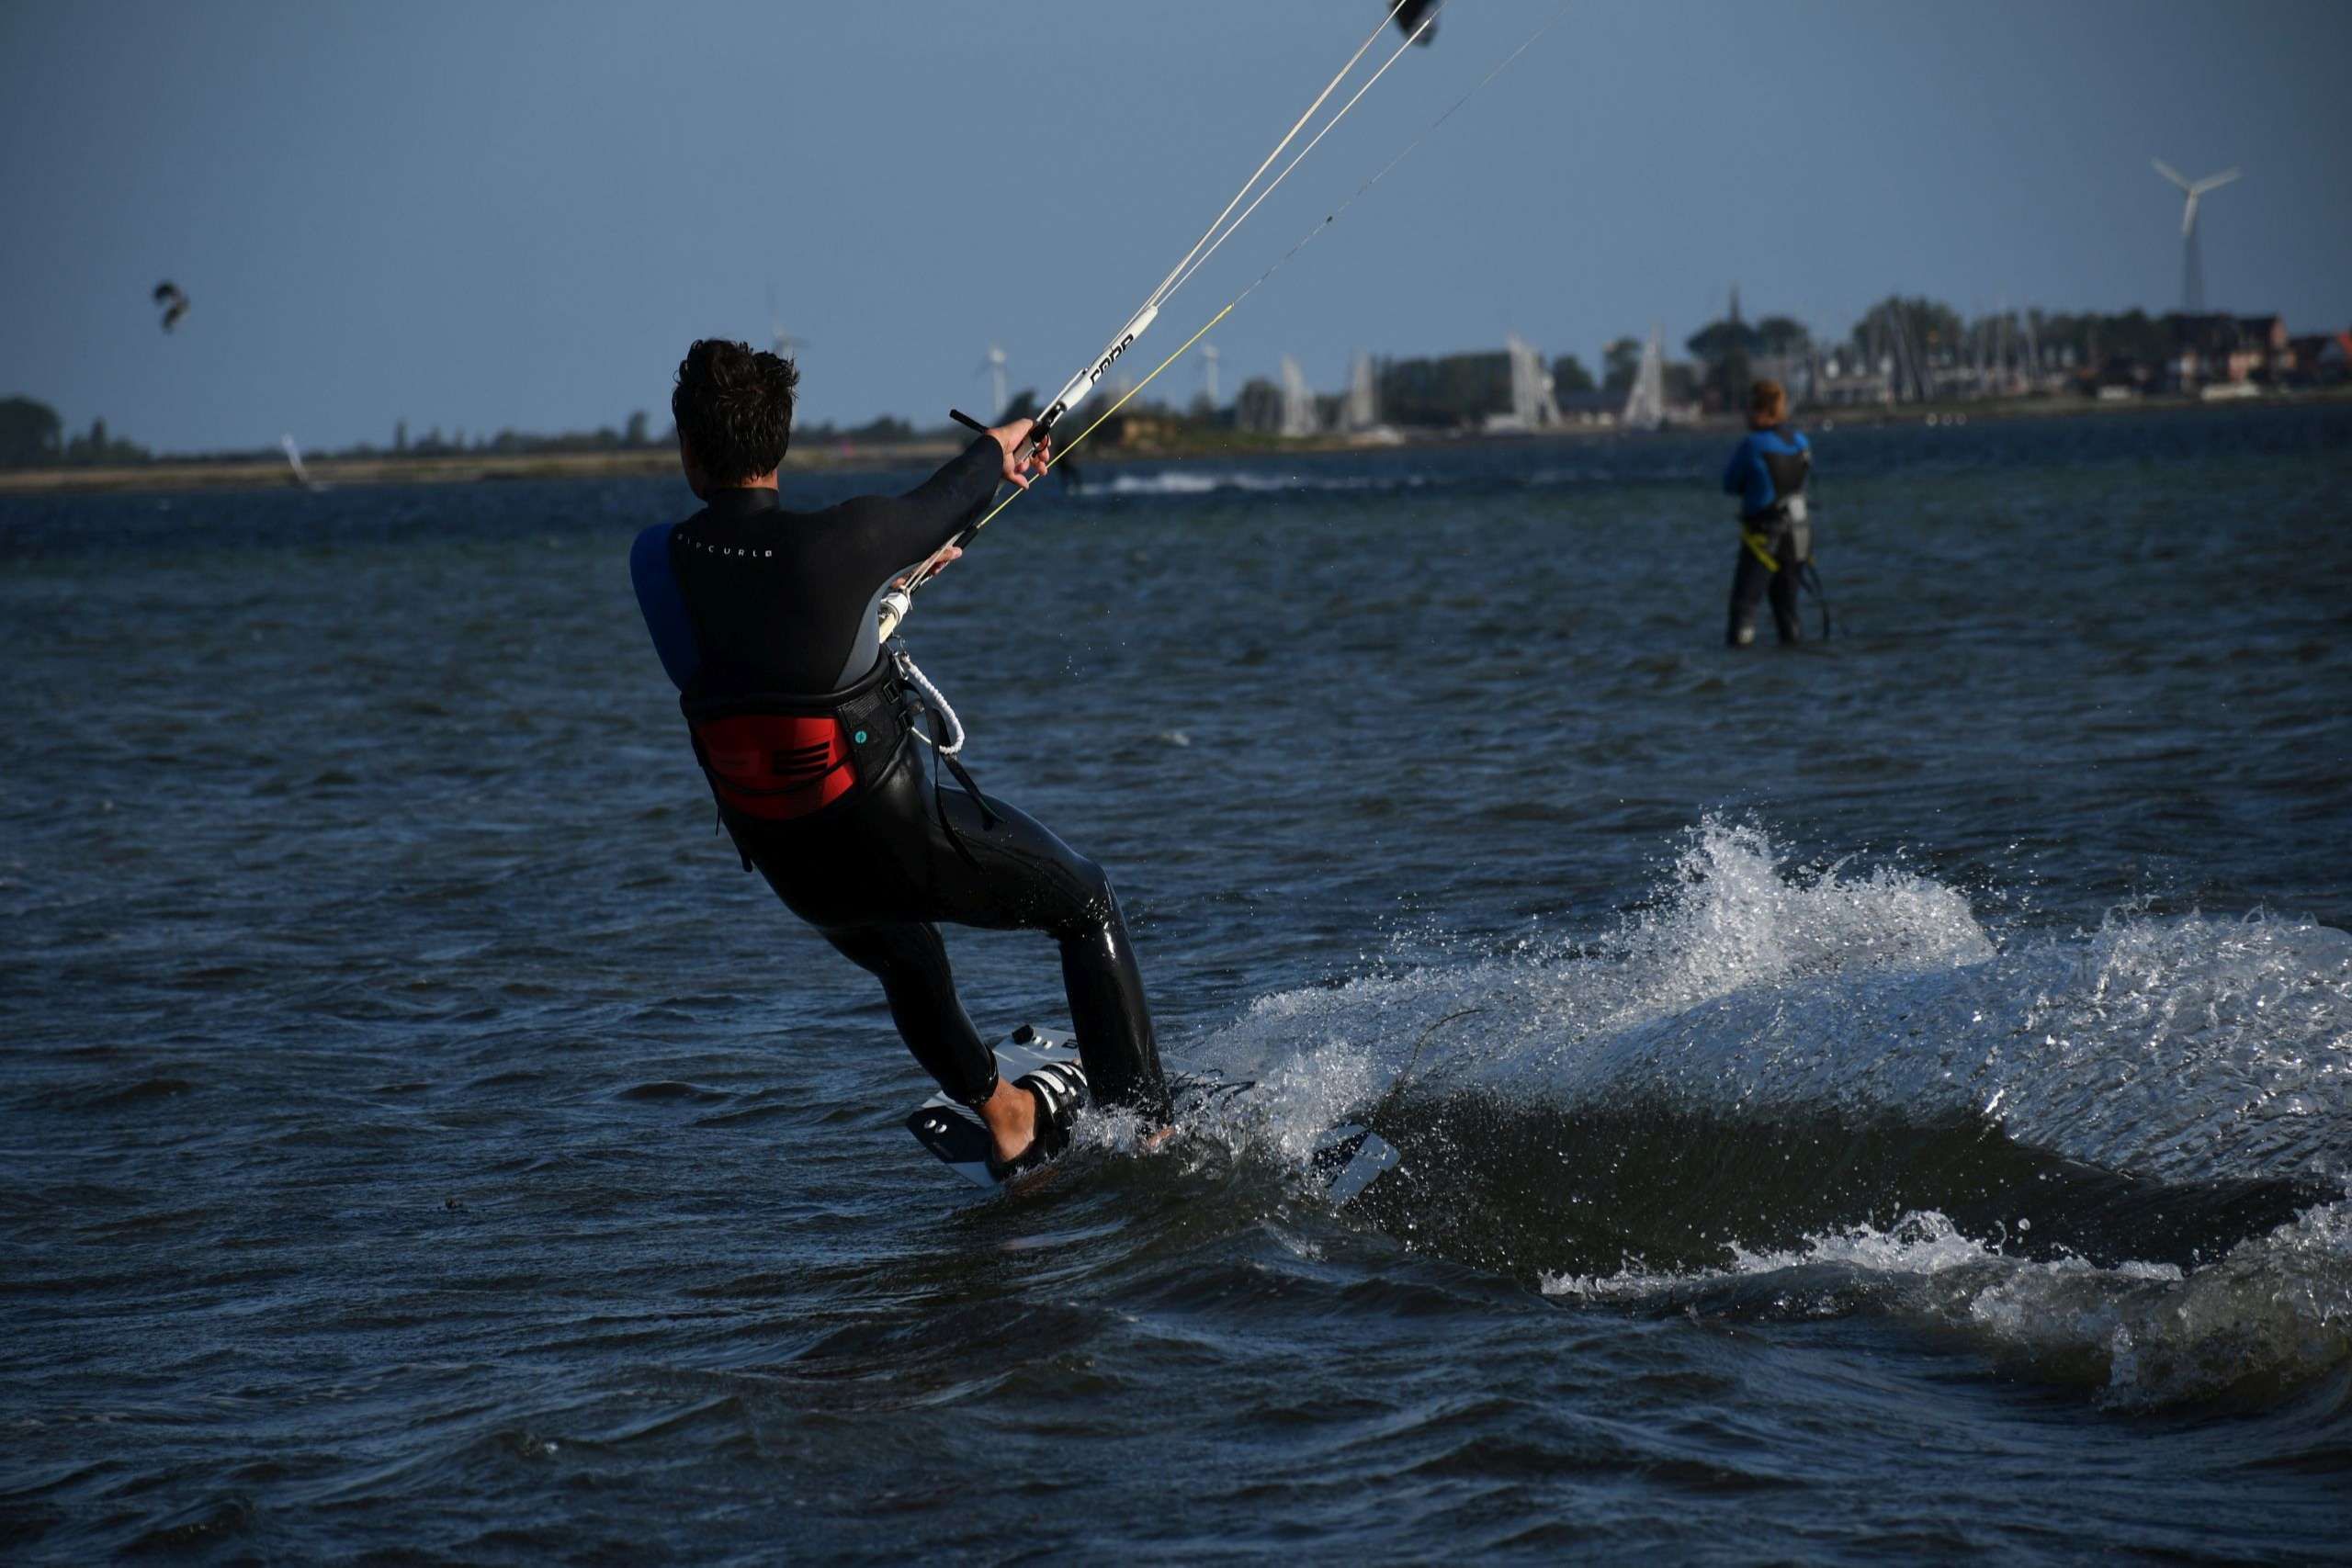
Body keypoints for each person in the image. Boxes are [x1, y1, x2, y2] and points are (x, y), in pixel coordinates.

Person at [630, 339, 1170, 1176]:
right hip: (893, 837)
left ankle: (1009, 1118)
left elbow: (758, 644)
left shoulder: (654, 562)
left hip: (794, 867)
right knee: (1085, 900)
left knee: (904, 954)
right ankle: (1151, 1139)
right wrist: (1005, 442)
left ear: (688, 450)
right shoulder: (846, 540)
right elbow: (950, 492)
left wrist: (878, 587)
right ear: (780, 444)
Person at [1719, 378, 1814, 647]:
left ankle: (1740, 658)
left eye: (1748, 408)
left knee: (1744, 605)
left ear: (1759, 410)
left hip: (1764, 535)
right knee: (1787, 607)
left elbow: (1730, 484)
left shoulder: (1752, 445)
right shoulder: (1801, 440)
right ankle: (1794, 656)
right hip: (1799, 533)